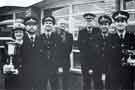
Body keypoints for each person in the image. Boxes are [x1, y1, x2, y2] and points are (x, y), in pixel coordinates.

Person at [112, 11, 135, 90]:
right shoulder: (110, 38)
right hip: (114, 76)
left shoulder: (133, 37)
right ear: (115, 24)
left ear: (126, 23)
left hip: (129, 75)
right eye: (117, 21)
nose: (120, 23)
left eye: (122, 21)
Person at [78, 13, 100, 90]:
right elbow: (80, 47)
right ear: (85, 21)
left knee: (97, 81)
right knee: (86, 81)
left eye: (90, 20)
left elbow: (99, 47)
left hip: (96, 61)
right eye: (87, 20)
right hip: (85, 61)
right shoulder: (81, 32)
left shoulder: (98, 31)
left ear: (93, 21)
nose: (89, 22)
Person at [1, 23, 25, 90]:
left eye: (20, 32)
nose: (18, 34)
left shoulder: (28, 46)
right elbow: (2, 60)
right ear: (13, 34)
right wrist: (4, 67)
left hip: (24, 77)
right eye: (16, 32)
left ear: (24, 33)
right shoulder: (8, 45)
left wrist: (19, 71)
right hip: (10, 77)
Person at [39, 15, 59, 90]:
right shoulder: (39, 37)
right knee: (41, 86)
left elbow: (61, 53)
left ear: (53, 25)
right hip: (42, 67)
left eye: (50, 23)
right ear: (43, 25)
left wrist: (59, 65)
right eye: (46, 22)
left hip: (54, 66)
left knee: (55, 86)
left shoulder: (57, 37)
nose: (48, 24)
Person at [93, 15, 113, 89]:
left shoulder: (113, 37)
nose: (104, 26)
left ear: (109, 25)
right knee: (97, 86)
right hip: (97, 66)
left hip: (110, 67)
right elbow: (92, 54)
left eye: (106, 24)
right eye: (102, 24)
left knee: (110, 86)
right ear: (99, 26)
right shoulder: (94, 38)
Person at [21, 16, 41, 90]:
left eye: (34, 25)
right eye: (29, 25)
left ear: (37, 27)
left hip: (38, 73)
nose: (31, 27)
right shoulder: (21, 39)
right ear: (25, 27)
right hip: (25, 73)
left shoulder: (41, 39)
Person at [56, 19, 73, 90]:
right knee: (55, 78)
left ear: (66, 26)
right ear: (58, 25)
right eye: (61, 24)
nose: (63, 25)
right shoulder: (54, 34)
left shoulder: (69, 35)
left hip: (66, 60)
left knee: (66, 78)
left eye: (64, 24)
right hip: (56, 60)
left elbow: (70, 48)